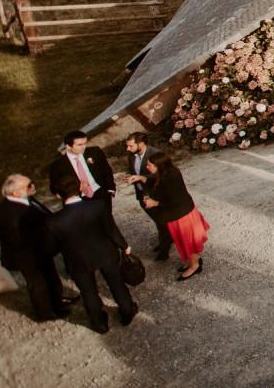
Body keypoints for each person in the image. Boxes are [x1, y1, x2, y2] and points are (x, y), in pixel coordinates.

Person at [44, 173, 136, 334]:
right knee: (116, 283)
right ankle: (127, 310)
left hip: (78, 260)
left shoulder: (53, 221)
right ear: (80, 187)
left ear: (57, 195)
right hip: (106, 253)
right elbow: (111, 229)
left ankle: (99, 323)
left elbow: (53, 247)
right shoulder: (98, 206)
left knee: (89, 292)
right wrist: (124, 246)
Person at [0, 174, 75, 322]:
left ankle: (57, 303)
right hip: (28, 256)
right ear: (16, 193)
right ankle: (44, 313)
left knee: (51, 277)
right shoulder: (8, 212)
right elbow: (16, 240)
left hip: (40, 250)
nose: (33, 186)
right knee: (38, 284)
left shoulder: (25, 199)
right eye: (28, 185)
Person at [135, 150, 209, 280]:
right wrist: (142, 178)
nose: (147, 167)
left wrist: (155, 203)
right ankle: (194, 262)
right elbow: (155, 182)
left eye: (149, 165)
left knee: (189, 243)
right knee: (188, 242)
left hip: (182, 216)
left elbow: (175, 201)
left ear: (159, 166)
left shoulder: (170, 178)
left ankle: (194, 266)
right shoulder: (167, 172)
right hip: (180, 214)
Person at [122, 132, 173, 259]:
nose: (127, 149)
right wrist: (131, 177)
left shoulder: (156, 155)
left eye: (130, 146)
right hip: (142, 195)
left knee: (162, 222)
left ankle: (164, 250)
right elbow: (134, 170)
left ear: (140, 144)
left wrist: (142, 177)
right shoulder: (132, 155)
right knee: (157, 221)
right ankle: (166, 240)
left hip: (155, 195)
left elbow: (164, 175)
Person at [48, 130, 116, 202]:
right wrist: (72, 191)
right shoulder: (57, 165)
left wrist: (110, 189)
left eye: (85, 143)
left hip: (101, 193)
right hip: (78, 199)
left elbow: (106, 170)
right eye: (80, 145)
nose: (84, 147)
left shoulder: (95, 152)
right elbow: (54, 186)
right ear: (68, 146)